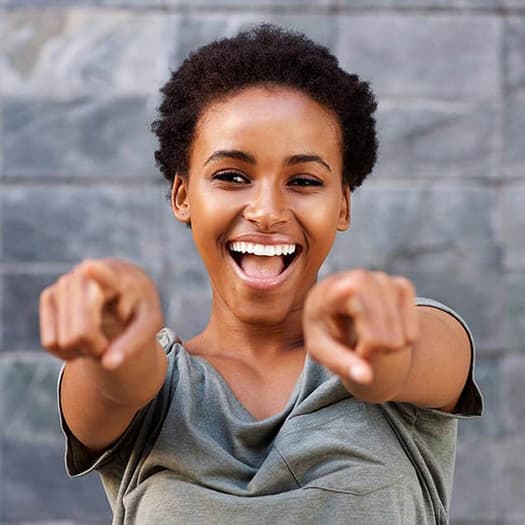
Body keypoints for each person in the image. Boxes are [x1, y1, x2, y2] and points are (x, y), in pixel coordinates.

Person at [39, 25, 482, 524]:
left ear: (342, 204)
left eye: (304, 181)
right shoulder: (154, 387)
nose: (267, 210)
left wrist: (383, 358)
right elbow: (119, 380)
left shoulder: (410, 346)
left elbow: (414, 355)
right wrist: (115, 337)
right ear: (184, 196)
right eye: (232, 176)